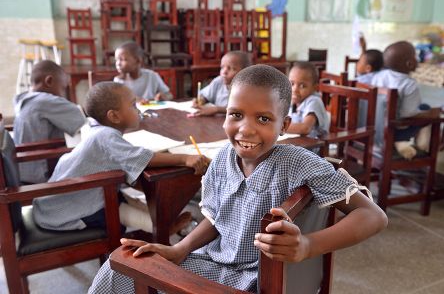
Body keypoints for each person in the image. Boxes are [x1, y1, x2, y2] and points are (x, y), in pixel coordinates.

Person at [88, 65, 387, 293]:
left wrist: (308, 245)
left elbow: (373, 216)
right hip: (213, 262)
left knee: (129, 271)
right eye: (236, 115)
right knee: (118, 269)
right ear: (225, 115)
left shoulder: (296, 162)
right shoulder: (222, 160)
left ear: (284, 125)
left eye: (263, 119)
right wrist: (179, 250)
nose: (246, 129)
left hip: (253, 280)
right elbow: (218, 217)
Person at [32, 82, 210, 233]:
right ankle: (161, 230)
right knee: (116, 207)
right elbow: (142, 159)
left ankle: (160, 224)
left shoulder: (99, 132)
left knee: (123, 198)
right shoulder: (106, 136)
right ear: (114, 116)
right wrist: (184, 158)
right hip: (67, 211)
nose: (137, 108)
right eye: (133, 105)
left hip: (54, 204)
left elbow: (129, 156)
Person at [13, 60, 86, 183]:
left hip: (22, 170)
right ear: (49, 81)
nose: (63, 95)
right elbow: (79, 118)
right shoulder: (43, 101)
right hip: (40, 175)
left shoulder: (24, 100)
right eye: (63, 88)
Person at [364, 41, 430, 159]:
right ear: (409, 64)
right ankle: (405, 142)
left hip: (373, 130)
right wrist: (429, 114)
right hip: (393, 132)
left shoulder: (378, 76)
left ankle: (402, 142)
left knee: (423, 109)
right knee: (428, 115)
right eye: (415, 56)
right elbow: (408, 114)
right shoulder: (409, 84)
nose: (417, 59)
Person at [191, 51, 251, 116]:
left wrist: (217, 109)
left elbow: (244, 110)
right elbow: (205, 96)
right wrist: (200, 100)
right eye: (222, 67)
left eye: (231, 68)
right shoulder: (219, 81)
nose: (224, 72)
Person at [287, 61, 329, 138]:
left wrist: (277, 127)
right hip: (296, 143)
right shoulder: (293, 102)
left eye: (302, 86)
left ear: (315, 88)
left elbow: (305, 128)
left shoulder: (314, 101)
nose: (295, 90)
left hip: (312, 147)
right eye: (292, 83)